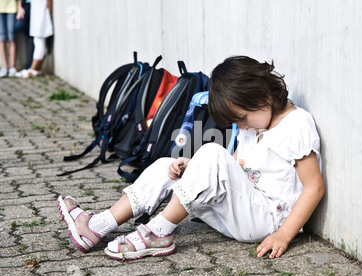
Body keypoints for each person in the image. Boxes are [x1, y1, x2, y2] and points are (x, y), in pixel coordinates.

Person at [57, 56, 325, 260]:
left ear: (264, 95)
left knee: (211, 153)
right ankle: (97, 226)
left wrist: (284, 234)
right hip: (239, 211)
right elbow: (233, 167)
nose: (240, 127)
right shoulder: (254, 125)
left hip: (266, 220)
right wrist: (193, 169)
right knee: (166, 166)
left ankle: (158, 232)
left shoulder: (296, 124)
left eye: (241, 118)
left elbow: (314, 187)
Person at [15, 0, 51, 78]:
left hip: (41, 13)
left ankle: (33, 69)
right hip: (36, 12)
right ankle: (35, 69)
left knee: (39, 41)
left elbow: (49, 1)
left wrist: (51, 13)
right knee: (38, 41)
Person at [0, 0, 24, 77]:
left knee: (12, 38)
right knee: (2, 39)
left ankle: (12, 67)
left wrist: (20, 7)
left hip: (12, 8)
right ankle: (5, 67)